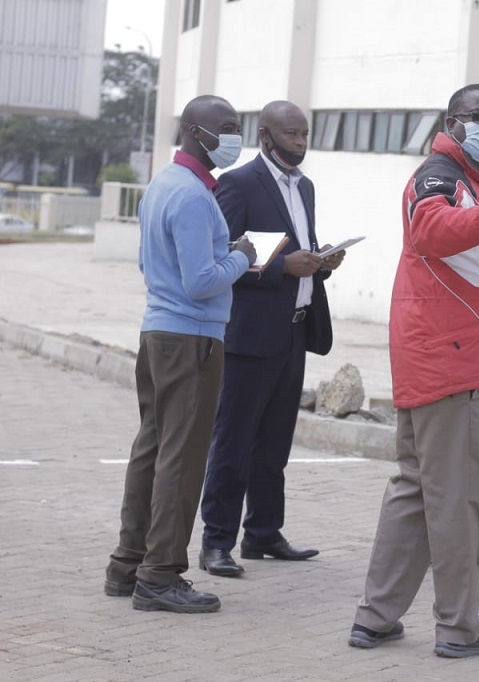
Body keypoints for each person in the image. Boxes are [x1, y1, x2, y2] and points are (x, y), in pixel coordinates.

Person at [347, 84, 479, 658]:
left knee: (416, 491)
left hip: (446, 358)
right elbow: (430, 228)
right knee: (460, 498)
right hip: (453, 364)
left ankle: (376, 617)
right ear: (453, 122)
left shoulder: (472, 179)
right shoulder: (441, 175)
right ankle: (459, 627)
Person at [104, 95, 256, 614]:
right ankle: (160, 576)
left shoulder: (162, 186)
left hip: (159, 333)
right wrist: (241, 256)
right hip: (191, 338)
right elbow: (200, 283)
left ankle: (128, 564)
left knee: (151, 449)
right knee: (181, 459)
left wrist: (223, 256)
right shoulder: (192, 195)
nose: (236, 137)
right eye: (228, 127)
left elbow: (154, 267)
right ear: (196, 131)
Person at [197, 100, 345, 578]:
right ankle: (217, 541)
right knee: (234, 441)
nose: (300, 143)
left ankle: (263, 533)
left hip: (294, 329)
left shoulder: (307, 188)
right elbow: (224, 257)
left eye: (305, 134)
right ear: (266, 136)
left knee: (275, 441)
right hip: (249, 337)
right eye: (292, 134)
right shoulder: (237, 184)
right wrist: (285, 266)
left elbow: (298, 247)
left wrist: (321, 261)